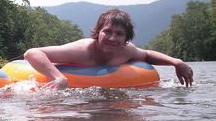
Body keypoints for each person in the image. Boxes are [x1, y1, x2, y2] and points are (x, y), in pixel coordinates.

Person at [23, 8, 193, 89]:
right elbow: (31, 53)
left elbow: (147, 55)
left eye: (119, 34)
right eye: (107, 32)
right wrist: (58, 77)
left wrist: (176, 62)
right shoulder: (83, 50)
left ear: (126, 39)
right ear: (98, 32)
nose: (113, 38)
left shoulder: (126, 51)